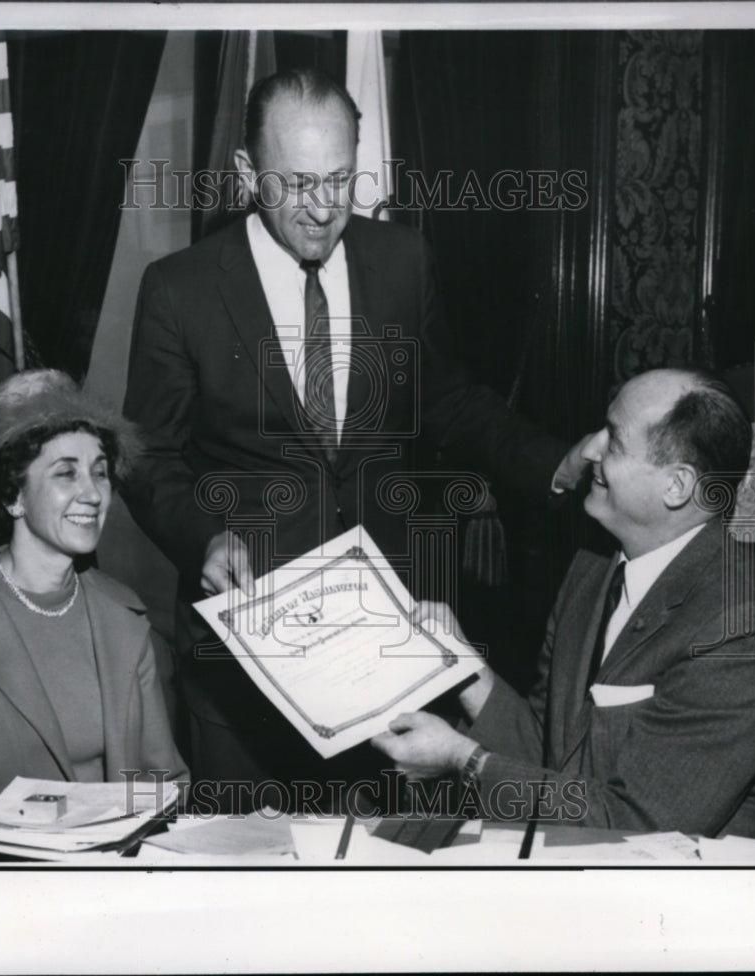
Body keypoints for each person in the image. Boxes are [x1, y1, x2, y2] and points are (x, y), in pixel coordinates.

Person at [123, 67, 589, 809]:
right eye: (297, 183)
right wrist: (202, 539)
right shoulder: (180, 287)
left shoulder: (401, 262)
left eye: (339, 182)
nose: (321, 210)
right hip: (249, 664)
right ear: (247, 171)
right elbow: (147, 457)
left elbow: (452, 403)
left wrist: (555, 462)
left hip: (385, 647)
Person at [372, 368, 755, 838]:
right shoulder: (593, 567)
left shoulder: (744, 630)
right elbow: (550, 752)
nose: (589, 448)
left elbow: (638, 821)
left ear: (676, 487)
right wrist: (464, 666)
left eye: (613, 441)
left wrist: (463, 759)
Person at [0, 370, 190, 795]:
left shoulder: (126, 618)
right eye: (66, 473)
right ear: (13, 495)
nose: (94, 494)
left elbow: (163, 783)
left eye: (100, 472)